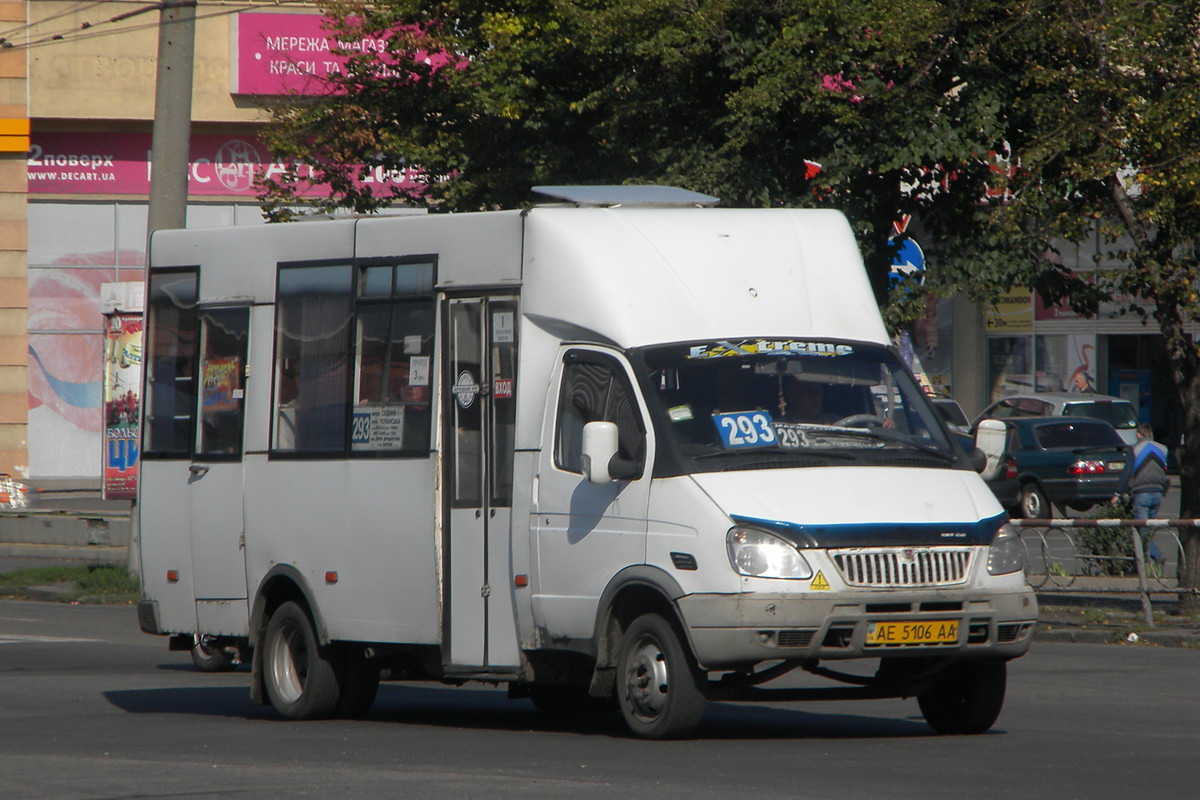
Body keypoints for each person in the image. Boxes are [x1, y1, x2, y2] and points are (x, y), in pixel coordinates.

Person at [1117, 423, 1170, 564]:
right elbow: (1165, 471)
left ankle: (1156, 557)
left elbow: (1127, 473)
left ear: (1138, 435)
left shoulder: (1135, 449)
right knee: (1148, 530)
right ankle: (1145, 563)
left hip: (1141, 493)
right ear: (1151, 434)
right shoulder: (1163, 449)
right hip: (1157, 493)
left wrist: (1117, 493)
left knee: (1142, 531)